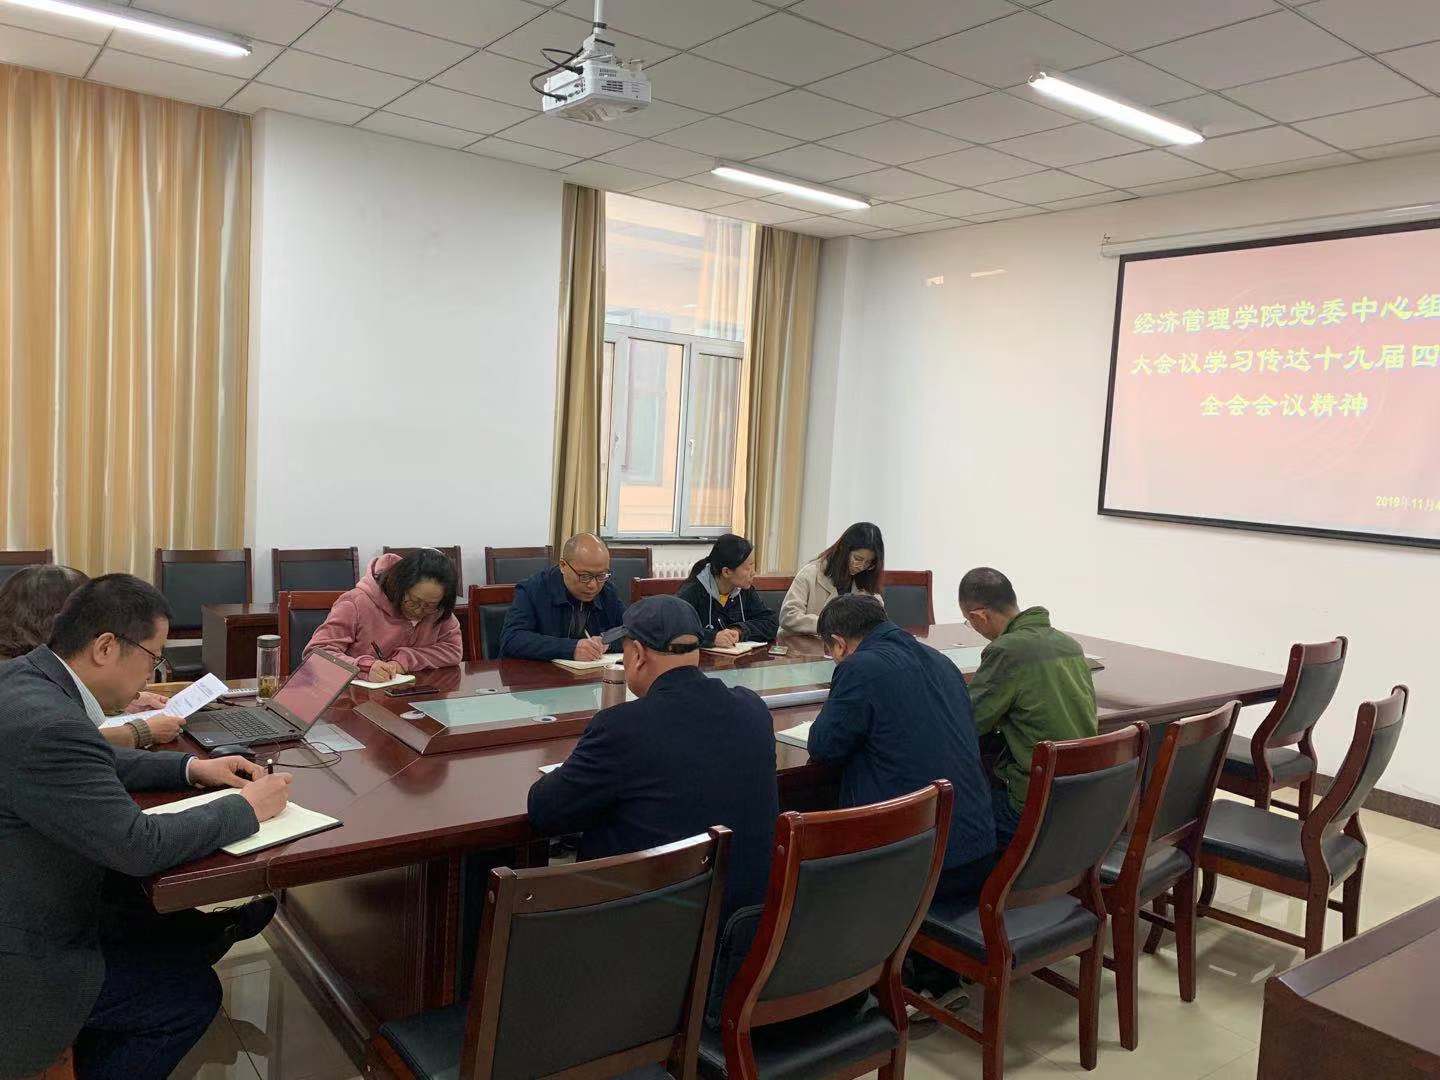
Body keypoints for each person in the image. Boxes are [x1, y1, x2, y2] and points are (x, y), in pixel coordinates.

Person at [0, 574, 293, 1080]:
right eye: (153, 658)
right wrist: (246, 808)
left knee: (151, 918)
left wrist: (191, 769)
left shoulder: (26, 679)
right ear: (105, 647)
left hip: (30, 893)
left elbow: (94, 759)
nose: (153, 674)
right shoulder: (50, 723)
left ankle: (200, 936)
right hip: (24, 954)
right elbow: (139, 846)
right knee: (188, 997)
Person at [527, 596, 779, 919]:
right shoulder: (752, 708)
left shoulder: (622, 727)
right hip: (743, 924)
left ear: (637, 654)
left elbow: (545, 811)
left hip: (645, 928)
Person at [807, 595, 996, 903]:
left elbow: (824, 747)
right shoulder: (942, 661)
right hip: (978, 849)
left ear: (839, 644)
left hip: (917, 865)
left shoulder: (859, 667)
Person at [959, 568, 1097, 849]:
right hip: (1080, 797)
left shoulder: (1007, 650)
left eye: (969, 622)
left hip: (1032, 803)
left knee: (956, 812)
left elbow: (969, 722)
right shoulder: (1069, 644)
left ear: (979, 616)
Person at [0, 565, 181, 748]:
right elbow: (65, 739)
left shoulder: (21, 668)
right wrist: (139, 732)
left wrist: (110, 697)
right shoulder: (42, 710)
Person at [305, 548, 462, 681]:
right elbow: (315, 654)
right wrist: (363, 667)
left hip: (414, 696)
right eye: (413, 601)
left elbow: (453, 651)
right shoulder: (356, 603)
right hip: (354, 700)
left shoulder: (439, 610)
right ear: (400, 585)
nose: (418, 611)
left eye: (429, 606)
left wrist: (406, 659)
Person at [499, 533, 625, 661]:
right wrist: (570, 648)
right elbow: (512, 639)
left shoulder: (607, 592)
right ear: (563, 566)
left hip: (593, 671)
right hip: (540, 672)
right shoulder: (533, 589)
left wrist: (606, 641)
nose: (593, 585)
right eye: (585, 576)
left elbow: (631, 631)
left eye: (601, 575)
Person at [780, 522, 885, 635]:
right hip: (804, 641)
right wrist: (832, 625)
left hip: (843, 645)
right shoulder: (811, 573)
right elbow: (789, 617)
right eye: (858, 559)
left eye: (869, 562)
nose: (861, 567)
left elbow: (878, 623)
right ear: (843, 550)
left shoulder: (867, 581)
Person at [675, 533, 778, 648]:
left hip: (739, 658)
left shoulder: (744, 590)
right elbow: (675, 629)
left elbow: (771, 622)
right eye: (748, 568)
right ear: (726, 572)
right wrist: (712, 638)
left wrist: (739, 631)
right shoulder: (692, 592)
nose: (753, 573)